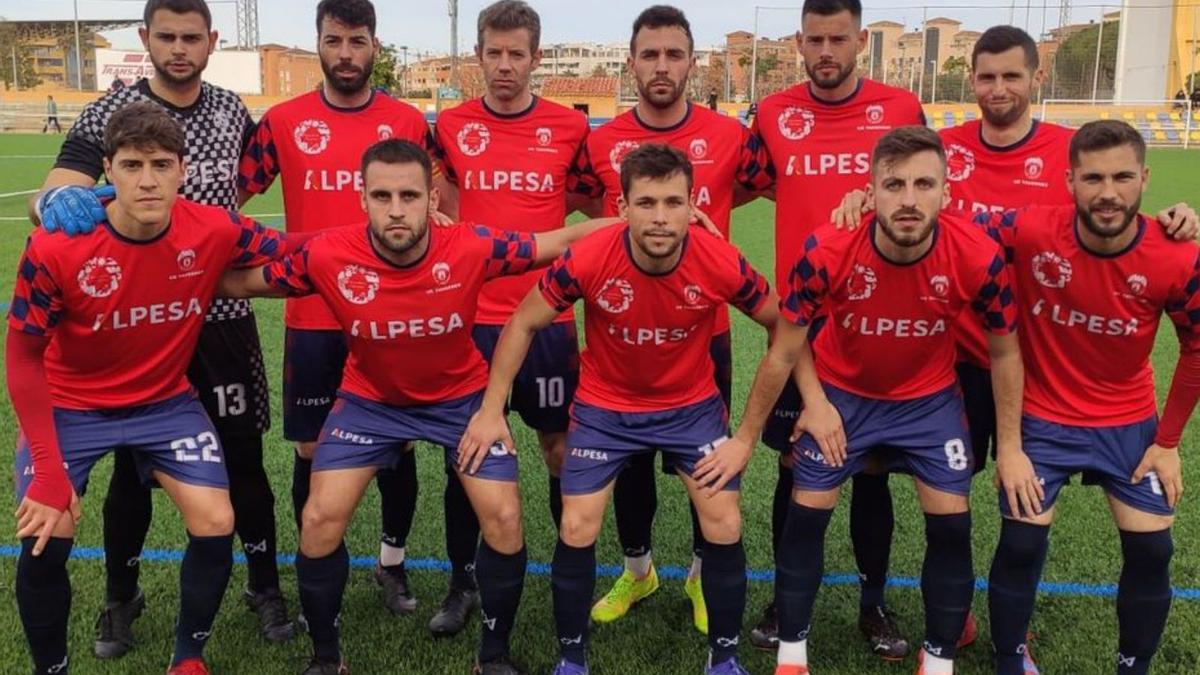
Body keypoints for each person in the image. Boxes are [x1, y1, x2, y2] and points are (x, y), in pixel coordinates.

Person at [220, 138, 618, 675]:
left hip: (461, 403)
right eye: (381, 195)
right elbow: (240, 281)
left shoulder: (471, 245)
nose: (396, 209)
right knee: (318, 519)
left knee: (503, 517)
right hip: (369, 404)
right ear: (362, 199)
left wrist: (650, 224)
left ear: (432, 198)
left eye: (410, 195)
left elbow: (560, 239)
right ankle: (326, 659)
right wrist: (155, 254)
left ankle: (493, 657)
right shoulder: (329, 254)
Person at [27, 0, 291, 655]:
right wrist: (50, 201)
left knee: (244, 459)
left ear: (212, 41)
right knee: (128, 468)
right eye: (166, 36)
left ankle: (264, 583)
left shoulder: (232, 110)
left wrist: (207, 251)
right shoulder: (107, 111)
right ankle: (121, 596)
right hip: (135, 313)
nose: (179, 48)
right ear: (146, 38)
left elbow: (251, 183)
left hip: (215, 311)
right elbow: (57, 190)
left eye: (190, 37)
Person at [718, 125, 1027, 675]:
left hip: (928, 403)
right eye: (895, 185)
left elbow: (1004, 355)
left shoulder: (978, 255)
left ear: (946, 192)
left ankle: (938, 662)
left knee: (952, 526)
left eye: (924, 184)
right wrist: (748, 436)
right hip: (843, 397)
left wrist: (1011, 447)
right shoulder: (829, 248)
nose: (909, 199)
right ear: (870, 192)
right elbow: (785, 348)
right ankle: (791, 658)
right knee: (806, 516)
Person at [462, 144, 777, 675]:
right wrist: (492, 409)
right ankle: (571, 661)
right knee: (577, 525)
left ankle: (723, 660)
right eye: (647, 203)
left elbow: (783, 326)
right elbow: (523, 322)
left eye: (673, 203)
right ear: (623, 207)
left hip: (691, 409)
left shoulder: (718, 258)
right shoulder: (590, 256)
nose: (660, 217)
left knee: (723, 521)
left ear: (691, 204)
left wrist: (745, 436)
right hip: (606, 409)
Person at [566, 4, 773, 634]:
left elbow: (758, 188)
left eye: (673, 54)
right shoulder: (598, 142)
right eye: (649, 54)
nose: (661, 66)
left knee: (706, 474)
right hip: (620, 341)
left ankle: (701, 575)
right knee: (627, 470)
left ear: (691, 60)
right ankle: (638, 571)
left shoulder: (733, 136)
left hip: (701, 334)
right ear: (632, 62)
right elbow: (580, 203)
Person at [237, 0, 444, 617]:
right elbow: (233, 195)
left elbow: (439, 203)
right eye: (335, 40)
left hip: (391, 319)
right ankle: (316, 565)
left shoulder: (407, 120)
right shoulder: (282, 121)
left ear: (375, 47)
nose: (346, 53)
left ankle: (392, 564)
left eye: (358, 41)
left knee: (397, 448)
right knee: (310, 449)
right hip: (314, 316)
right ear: (319, 44)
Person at [981, 120, 1200, 675]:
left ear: (1145, 178)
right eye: (1094, 177)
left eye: (1123, 176)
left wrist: (1168, 441)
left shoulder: (1177, 257)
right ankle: (1010, 659)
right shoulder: (1029, 230)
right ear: (1069, 181)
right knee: (1022, 546)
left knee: (1153, 552)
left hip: (1129, 424)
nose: (1109, 192)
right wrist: (867, 198)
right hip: (1044, 420)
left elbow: (1198, 347)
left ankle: (1133, 667)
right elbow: (947, 223)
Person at [746, 0, 927, 654]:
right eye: (815, 39)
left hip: (879, 320)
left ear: (859, 43)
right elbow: (743, 182)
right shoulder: (772, 114)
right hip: (801, 323)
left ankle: (874, 603)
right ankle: (785, 596)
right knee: (796, 465)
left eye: (838, 39)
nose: (826, 51)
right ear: (799, 41)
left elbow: (934, 187)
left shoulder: (901, 108)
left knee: (871, 468)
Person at [428, 0, 592, 637]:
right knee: (464, 454)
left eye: (515, 54)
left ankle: (564, 574)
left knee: (558, 448)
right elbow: (431, 196)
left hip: (547, 319)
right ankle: (462, 582)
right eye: (492, 53)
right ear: (477, 57)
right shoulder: (449, 127)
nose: (503, 65)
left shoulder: (569, 128)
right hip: (470, 318)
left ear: (536, 58)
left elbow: (596, 196)